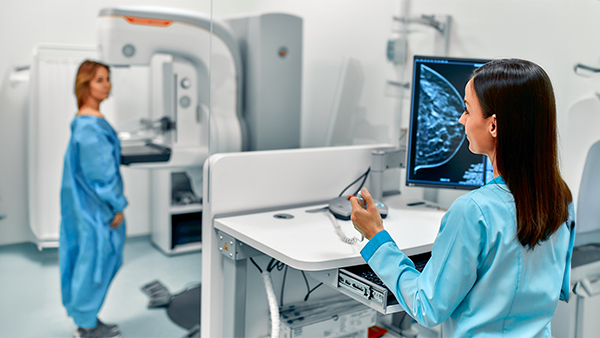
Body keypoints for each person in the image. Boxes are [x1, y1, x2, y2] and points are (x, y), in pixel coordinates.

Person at [351, 59, 575, 337]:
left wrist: (375, 235)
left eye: (468, 110)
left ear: (493, 125)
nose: (461, 119)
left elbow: (426, 307)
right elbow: (558, 285)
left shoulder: (473, 211)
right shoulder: (561, 198)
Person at [60, 60, 127, 338]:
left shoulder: (84, 120)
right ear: (84, 84)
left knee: (88, 260)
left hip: (84, 206)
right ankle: (87, 327)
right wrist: (117, 205)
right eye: (100, 79)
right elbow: (102, 175)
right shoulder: (90, 126)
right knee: (98, 262)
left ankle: (87, 319)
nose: (107, 84)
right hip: (98, 209)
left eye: (108, 78)